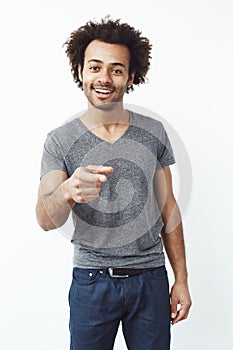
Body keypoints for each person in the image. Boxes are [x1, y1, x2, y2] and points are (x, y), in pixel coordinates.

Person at [36, 17, 192, 350]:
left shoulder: (153, 132)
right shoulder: (60, 140)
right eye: (95, 67)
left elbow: (169, 208)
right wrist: (67, 192)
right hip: (91, 284)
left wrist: (181, 279)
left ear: (131, 77)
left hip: (150, 280)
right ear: (80, 71)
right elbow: (45, 220)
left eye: (116, 69)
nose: (104, 78)